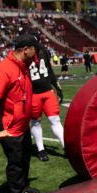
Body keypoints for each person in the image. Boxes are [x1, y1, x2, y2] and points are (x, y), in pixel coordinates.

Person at [0, 34, 40, 193]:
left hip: (22, 125)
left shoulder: (23, 66)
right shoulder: (4, 69)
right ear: (26, 50)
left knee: (25, 157)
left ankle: (22, 187)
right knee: (15, 162)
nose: (36, 54)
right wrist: (0, 129)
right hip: (10, 128)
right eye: (34, 50)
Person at [19, 26, 64, 162]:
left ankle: (66, 146)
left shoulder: (43, 51)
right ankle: (40, 149)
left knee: (55, 120)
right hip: (32, 94)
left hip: (47, 91)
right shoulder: (22, 54)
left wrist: (57, 85)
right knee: (35, 122)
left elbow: (49, 70)